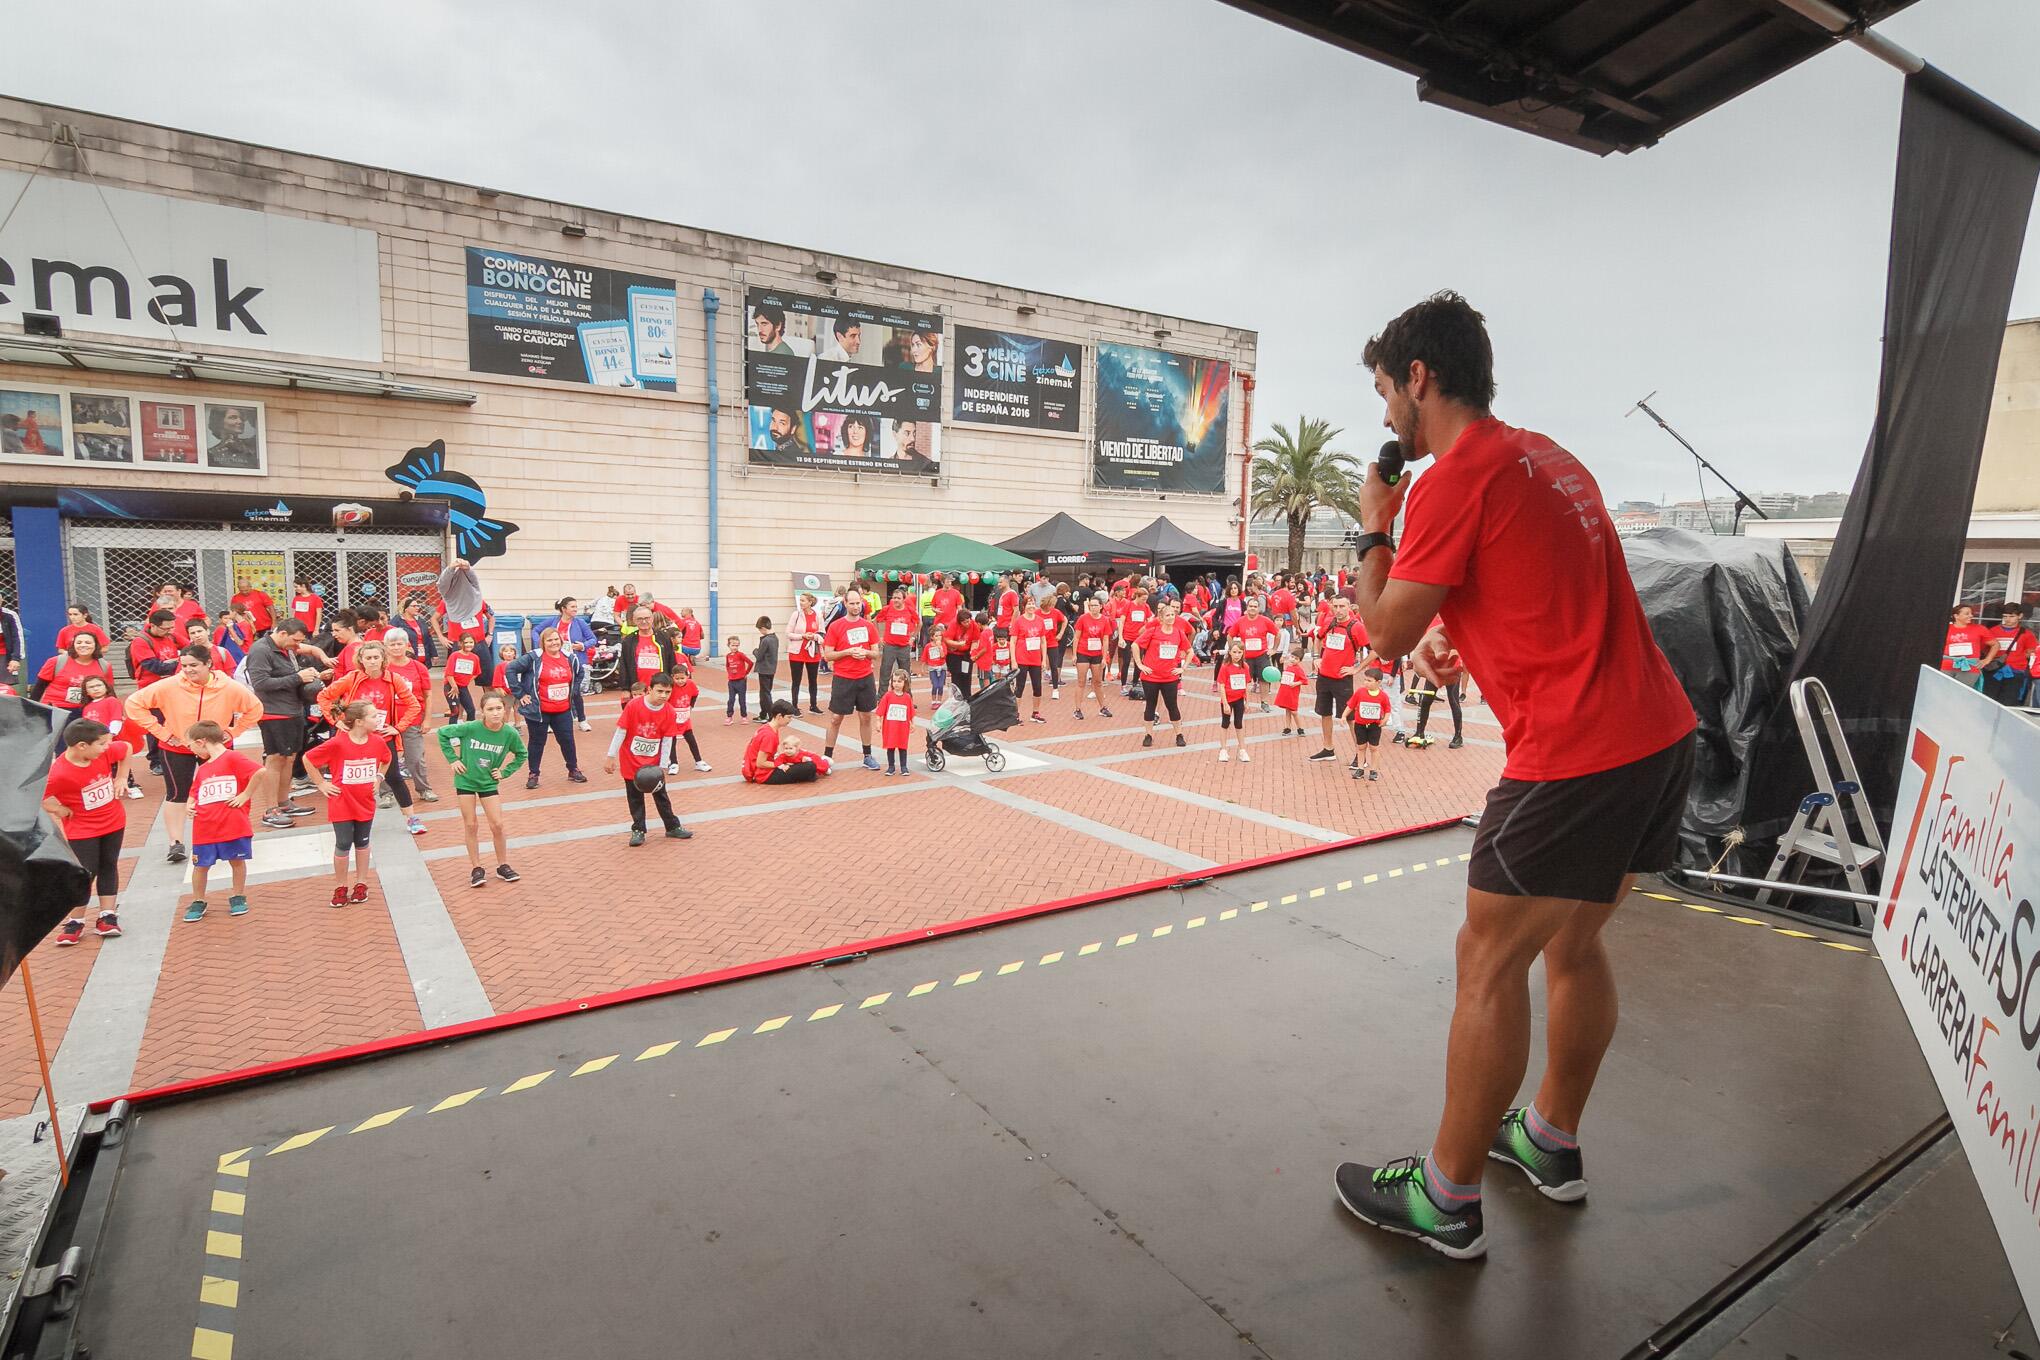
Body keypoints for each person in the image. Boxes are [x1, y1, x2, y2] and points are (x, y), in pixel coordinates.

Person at [1334, 290, 1696, 1260]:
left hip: (1575, 758)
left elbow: (1382, 630)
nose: (1383, 418)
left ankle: (1445, 1197)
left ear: (1420, 378)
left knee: (1487, 962)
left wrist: (1375, 525)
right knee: (1574, 946)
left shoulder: (1451, 477)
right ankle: (1548, 1139)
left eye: (1383, 390)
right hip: (1657, 737)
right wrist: (1459, 638)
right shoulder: (1551, 457)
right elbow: (1543, 585)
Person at [124, 643, 263, 863]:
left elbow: (255, 708)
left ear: (208, 664)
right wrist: (161, 732)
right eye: (184, 665)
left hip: (217, 749)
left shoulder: (229, 687)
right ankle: (176, 843)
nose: (188, 670)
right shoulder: (169, 685)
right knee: (177, 794)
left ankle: (227, 835)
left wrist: (232, 732)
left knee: (223, 792)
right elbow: (134, 703)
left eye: (194, 665)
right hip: (177, 746)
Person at [316, 640, 427, 834]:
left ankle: (412, 819)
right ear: (361, 660)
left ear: (384, 659)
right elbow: (324, 697)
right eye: (368, 658)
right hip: (353, 737)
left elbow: (414, 705)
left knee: (394, 777)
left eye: (376, 657)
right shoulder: (352, 678)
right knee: (345, 778)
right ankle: (346, 822)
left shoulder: (394, 679)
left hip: (382, 737)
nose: (373, 662)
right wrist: (336, 720)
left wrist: (398, 728)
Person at [41, 717, 133, 946]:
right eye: (101, 744)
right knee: (85, 873)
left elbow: (126, 748)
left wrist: (121, 776)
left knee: (108, 865)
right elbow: (37, 795)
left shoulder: (103, 753)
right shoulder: (59, 772)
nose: (106, 748)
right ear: (82, 745)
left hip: (113, 821)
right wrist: (57, 808)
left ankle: (107, 915)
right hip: (82, 830)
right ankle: (76, 920)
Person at [240, 618, 327, 830]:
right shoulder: (261, 650)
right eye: (295, 641)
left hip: (292, 710)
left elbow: (293, 668)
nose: (297, 646)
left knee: (289, 758)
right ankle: (270, 810)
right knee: (275, 759)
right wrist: (298, 678)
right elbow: (261, 684)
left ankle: (283, 802)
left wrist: (311, 674)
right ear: (282, 634)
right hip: (274, 713)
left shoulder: (286, 648)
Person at [304, 700, 391, 909]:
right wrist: (321, 783)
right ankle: (341, 886)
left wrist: (378, 779)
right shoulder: (338, 743)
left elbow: (386, 760)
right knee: (343, 843)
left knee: (362, 842)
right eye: (373, 716)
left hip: (365, 802)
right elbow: (308, 758)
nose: (377, 719)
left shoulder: (378, 742)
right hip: (342, 802)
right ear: (359, 722)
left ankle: (362, 883)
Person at [436, 691, 526, 888]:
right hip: (466, 781)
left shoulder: (509, 733)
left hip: (488, 782)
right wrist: (453, 760)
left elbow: (521, 754)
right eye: (490, 709)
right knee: (471, 825)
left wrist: (504, 772)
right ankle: (476, 868)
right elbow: (442, 734)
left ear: (505, 710)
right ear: (482, 712)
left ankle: (503, 865)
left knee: (497, 824)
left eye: (499, 708)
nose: (495, 713)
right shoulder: (471, 728)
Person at [181, 720, 261, 922]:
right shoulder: (204, 768)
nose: (192, 751)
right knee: (200, 866)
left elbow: (259, 771)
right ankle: (198, 899)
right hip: (205, 827)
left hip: (232, 825)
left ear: (201, 742)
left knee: (237, 861)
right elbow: (194, 792)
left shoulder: (232, 757)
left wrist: (245, 795)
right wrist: (190, 804)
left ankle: (237, 895)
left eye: (191, 746)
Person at [605, 673, 693, 846]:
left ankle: (672, 826)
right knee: (634, 797)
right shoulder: (633, 706)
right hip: (631, 760)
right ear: (649, 689)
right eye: (659, 691)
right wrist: (610, 756)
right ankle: (638, 829)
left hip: (653, 761)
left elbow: (668, 739)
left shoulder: (669, 711)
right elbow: (621, 731)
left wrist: (662, 766)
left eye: (667, 692)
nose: (663, 696)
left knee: (661, 796)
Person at [507, 628, 587, 788]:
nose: (554, 643)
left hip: (563, 709)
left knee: (567, 741)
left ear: (561, 641)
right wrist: (521, 694)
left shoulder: (570, 657)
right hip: (539, 710)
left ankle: (573, 769)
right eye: (549, 640)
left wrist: (574, 690)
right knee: (537, 742)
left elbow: (580, 673)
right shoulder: (534, 657)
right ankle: (533, 774)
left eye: (556, 639)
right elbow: (510, 669)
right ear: (543, 642)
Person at [821, 594, 882, 770]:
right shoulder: (836, 626)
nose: (856, 607)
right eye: (852, 603)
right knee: (835, 718)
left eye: (858, 603)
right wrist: (847, 652)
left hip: (865, 677)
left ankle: (868, 755)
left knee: (866, 716)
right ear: (845, 603)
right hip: (843, 678)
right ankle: (827, 757)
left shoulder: (868, 626)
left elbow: (876, 653)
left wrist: (866, 653)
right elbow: (828, 655)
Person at [381, 631, 439, 803]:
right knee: (386, 757)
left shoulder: (418, 667)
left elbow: (428, 695)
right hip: (387, 721)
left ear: (407, 645)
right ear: (386, 647)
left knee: (415, 758)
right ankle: (386, 793)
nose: (396, 647)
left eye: (400, 643)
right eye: (392, 644)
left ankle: (424, 789)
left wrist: (427, 719)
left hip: (412, 720)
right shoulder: (383, 667)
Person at [1132, 601, 1195, 748]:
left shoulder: (1179, 633)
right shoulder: (1153, 631)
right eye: (1167, 615)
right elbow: (1135, 645)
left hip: (1170, 677)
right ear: (1161, 618)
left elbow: (1190, 651)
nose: (1171, 617)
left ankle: (1179, 734)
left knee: (1172, 705)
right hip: (1151, 676)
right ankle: (1148, 734)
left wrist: (1183, 668)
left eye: (1173, 614)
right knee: (1150, 705)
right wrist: (1140, 664)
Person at [1309, 598, 1363, 763]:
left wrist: (1357, 668)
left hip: (1342, 679)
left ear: (1348, 608)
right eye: (1336, 606)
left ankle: (1360, 753)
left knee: (1350, 717)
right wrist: (1316, 657)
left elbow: (1374, 650)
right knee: (1324, 712)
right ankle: (1328, 748)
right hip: (1324, 676)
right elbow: (1317, 637)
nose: (1338, 609)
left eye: (1342, 606)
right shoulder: (1329, 622)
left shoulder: (1356, 627)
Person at [547, 597, 599, 731]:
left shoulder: (580, 623)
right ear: (563, 609)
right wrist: (540, 644)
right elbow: (537, 632)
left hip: (575, 662)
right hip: (556, 662)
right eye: (572, 607)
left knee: (575, 692)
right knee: (554, 690)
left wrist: (583, 646)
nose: (575, 609)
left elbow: (593, 639)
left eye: (576, 607)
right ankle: (552, 722)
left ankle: (582, 720)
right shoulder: (553, 622)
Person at [32, 631, 116, 712]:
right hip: (56, 709)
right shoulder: (56, 661)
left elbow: (110, 692)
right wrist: (30, 709)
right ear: (73, 645)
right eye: (79, 643)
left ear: (96, 645)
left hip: (89, 710)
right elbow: (39, 687)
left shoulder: (104, 666)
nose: (83, 645)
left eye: (88, 642)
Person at [1228, 595, 1282, 711]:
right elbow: (1229, 635)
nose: (1253, 608)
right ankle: (1242, 703)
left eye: (1255, 606)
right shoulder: (1240, 621)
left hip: (1262, 655)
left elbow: (1278, 634)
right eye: (1250, 606)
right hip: (1245, 657)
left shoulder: (1265, 620)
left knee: (1264, 679)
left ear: (1258, 608)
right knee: (1244, 681)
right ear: (1246, 608)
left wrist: (1274, 649)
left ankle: (1264, 702)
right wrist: (1233, 651)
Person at [1983, 601, 2036, 706]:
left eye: (2011, 616)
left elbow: (2031, 651)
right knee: (1989, 702)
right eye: (2005, 616)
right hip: (1994, 670)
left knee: (2010, 703)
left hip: (2015, 672)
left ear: (2020, 616)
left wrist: (2019, 658)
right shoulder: (1993, 631)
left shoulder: (2027, 633)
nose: (2008, 619)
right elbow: (1985, 649)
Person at [1070, 596, 1114, 721]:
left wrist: (1104, 656)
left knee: (1098, 682)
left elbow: (1105, 639)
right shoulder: (1083, 618)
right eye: (1091, 606)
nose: (1093, 608)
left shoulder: (1105, 620)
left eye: (1095, 605)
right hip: (1083, 652)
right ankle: (1077, 709)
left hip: (1097, 654)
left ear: (1101, 606)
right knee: (1081, 681)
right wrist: (1074, 654)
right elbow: (1077, 637)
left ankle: (1103, 707)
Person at [1346, 668, 1390, 781]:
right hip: (1360, 724)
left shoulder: (1383, 696)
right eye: (1365, 680)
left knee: (1374, 747)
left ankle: (1373, 770)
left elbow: (1387, 709)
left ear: (1378, 682)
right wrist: (1343, 716)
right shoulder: (1360, 692)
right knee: (1361, 747)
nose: (1366, 683)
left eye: (1369, 681)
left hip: (1374, 725)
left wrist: (1385, 719)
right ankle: (1360, 768)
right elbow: (1351, 705)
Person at [1012, 597, 1050, 723]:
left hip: (1035, 659)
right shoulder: (1019, 621)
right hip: (1021, 658)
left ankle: (1035, 712)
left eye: (1033, 603)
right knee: (1020, 687)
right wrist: (1013, 660)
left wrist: (1044, 659)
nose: (1031, 606)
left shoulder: (1040, 621)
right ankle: (1015, 715)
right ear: (1024, 606)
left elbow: (1043, 641)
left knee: (1037, 686)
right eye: (1029, 603)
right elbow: (1013, 641)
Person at [1215, 637, 1252, 762]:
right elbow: (1221, 685)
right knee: (1225, 723)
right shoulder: (1225, 667)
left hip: (1239, 699)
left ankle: (1242, 750)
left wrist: (1248, 701)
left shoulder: (1245, 666)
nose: (1237, 655)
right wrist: (1225, 703)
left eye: (1240, 652)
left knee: (1239, 724)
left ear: (1243, 653)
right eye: (1234, 652)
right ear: (1230, 652)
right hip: (1228, 700)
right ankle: (1223, 750)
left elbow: (1247, 684)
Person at [876, 586, 920, 693]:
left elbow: (919, 623)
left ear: (903, 599)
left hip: (904, 647)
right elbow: (876, 620)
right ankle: (881, 697)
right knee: (885, 672)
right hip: (890, 646)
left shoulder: (909, 610)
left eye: (898, 598)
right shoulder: (887, 609)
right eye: (894, 597)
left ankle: (907, 697)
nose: (895, 600)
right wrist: (879, 637)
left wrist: (913, 637)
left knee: (905, 673)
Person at [1942, 603, 1996, 687]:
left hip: (1970, 666)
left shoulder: (1980, 628)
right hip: (1946, 666)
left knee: (1962, 694)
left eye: (1971, 613)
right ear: (1956, 616)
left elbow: (1995, 644)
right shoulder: (1945, 628)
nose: (1971, 616)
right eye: (1967, 614)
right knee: (1942, 693)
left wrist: (1987, 660)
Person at [786, 593, 824, 714]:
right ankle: (794, 706)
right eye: (800, 600)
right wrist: (802, 636)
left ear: (810, 602)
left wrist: (814, 636)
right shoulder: (796, 614)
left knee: (813, 680)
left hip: (812, 653)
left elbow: (822, 633)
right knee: (796, 680)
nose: (801, 603)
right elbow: (788, 633)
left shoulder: (818, 615)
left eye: (803, 601)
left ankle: (813, 705)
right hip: (796, 652)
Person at [879, 669, 916, 775]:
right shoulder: (888, 696)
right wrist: (878, 722)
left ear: (905, 683)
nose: (896, 684)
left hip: (902, 727)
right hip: (890, 727)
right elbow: (880, 710)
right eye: (894, 681)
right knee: (890, 747)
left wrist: (912, 723)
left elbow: (911, 712)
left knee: (902, 747)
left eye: (899, 681)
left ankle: (904, 767)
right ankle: (891, 767)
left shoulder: (907, 697)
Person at [444, 633, 484, 722]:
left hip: (463, 687)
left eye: (471, 642)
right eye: (466, 642)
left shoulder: (475, 658)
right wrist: (454, 686)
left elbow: (477, 672)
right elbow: (449, 673)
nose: (469, 644)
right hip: (451, 686)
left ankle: (470, 731)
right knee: (455, 711)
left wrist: (467, 680)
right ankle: (452, 734)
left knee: (471, 710)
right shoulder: (455, 655)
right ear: (461, 643)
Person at [944, 609, 980, 696]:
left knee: (966, 676)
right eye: (964, 622)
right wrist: (957, 644)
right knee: (956, 676)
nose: (967, 624)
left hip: (966, 654)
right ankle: (957, 697)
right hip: (954, 654)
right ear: (960, 622)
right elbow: (947, 639)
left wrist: (972, 652)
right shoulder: (953, 624)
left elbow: (975, 641)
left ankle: (967, 696)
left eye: (968, 621)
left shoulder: (974, 625)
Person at [1273, 648, 1308, 736]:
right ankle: (1287, 728)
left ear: (1299, 661)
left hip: (1293, 693)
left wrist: (1296, 683)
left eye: (1296, 658)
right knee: (1287, 710)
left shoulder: (1298, 669)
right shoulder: (1288, 667)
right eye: (1292, 657)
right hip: (1285, 692)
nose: (1293, 659)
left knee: (1294, 712)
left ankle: (1300, 728)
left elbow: (1304, 680)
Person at [754, 616, 780, 714]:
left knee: (765, 693)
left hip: (764, 669)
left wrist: (755, 651)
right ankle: (763, 713)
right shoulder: (775, 638)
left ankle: (769, 713)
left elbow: (759, 656)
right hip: (771, 668)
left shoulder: (765, 640)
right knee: (766, 691)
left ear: (763, 628)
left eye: (760, 629)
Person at [724, 637, 753, 723]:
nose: (735, 647)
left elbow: (750, 663)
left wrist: (746, 673)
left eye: (737, 645)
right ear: (729, 645)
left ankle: (744, 716)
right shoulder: (728, 656)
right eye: (733, 645)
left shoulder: (740, 654)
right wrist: (730, 674)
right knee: (731, 699)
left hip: (741, 681)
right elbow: (727, 665)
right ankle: (729, 716)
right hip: (732, 681)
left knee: (742, 699)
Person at [921, 625, 949, 702]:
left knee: (940, 686)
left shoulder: (943, 645)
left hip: (942, 667)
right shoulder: (928, 646)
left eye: (940, 635)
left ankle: (939, 701)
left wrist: (940, 647)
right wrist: (922, 669)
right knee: (935, 685)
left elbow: (943, 656)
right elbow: (924, 658)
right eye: (936, 636)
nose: (939, 637)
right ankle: (933, 701)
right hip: (932, 668)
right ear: (932, 637)